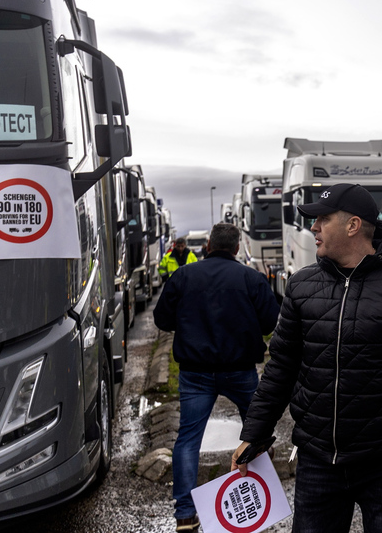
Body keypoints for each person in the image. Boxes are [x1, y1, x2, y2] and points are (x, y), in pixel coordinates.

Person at [231, 183, 382, 533]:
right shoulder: (301, 286)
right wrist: (254, 433)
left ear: (352, 226)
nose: (313, 228)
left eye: (322, 219)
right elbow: (281, 368)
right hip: (318, 462)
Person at [153, 223, 280, 532]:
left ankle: (185, 513)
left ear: (208, 245)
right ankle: (261, 503)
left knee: (187, 440)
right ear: (237, 248)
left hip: (195, 372)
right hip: (240, 371)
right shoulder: (252, 278)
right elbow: (270, 322)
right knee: (259, 431)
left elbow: (161, 319)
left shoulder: (183, 277)